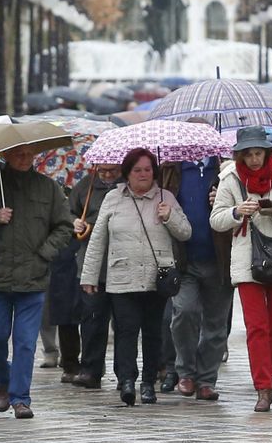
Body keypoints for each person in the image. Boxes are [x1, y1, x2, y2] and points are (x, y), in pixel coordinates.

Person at [79, 147, 192, 406]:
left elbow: (186, 232)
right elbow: (97, 240)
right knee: (126, 330)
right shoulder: (113, 198)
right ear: (127, 173)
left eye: (148, 170)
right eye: (137, 170)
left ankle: (148, 382)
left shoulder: (165, 197)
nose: (143, 174)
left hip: (157, 278)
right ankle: (127, 380)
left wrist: (170, 217)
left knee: (153, 332)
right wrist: (89, 276)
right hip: (122, 276)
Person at [0, 141, 74, 420]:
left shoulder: (48, 188)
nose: (24, 157)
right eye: (18, 152)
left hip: (33, 279)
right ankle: (3, 380)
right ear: (5, 154)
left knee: (26, 343)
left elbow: (64, 227)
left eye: (29, 152)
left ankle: (20, 398)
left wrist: (44, 255)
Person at [210, 127, 272, 412]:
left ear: (267, 152)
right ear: (240, 155)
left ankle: (270, 365)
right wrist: (237, 212)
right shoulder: (230, 177)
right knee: (256, 327)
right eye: (248, 154)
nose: (254, 159)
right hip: (246, 259)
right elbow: (216, 219)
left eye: (258, 153)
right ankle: (263, 387)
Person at [168, 154, 233, 401]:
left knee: (216, 324)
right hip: (184, 260)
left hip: (220, 259)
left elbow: (246, 205)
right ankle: (186, 372)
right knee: (185, 312)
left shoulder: (226, 172)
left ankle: (206, 380)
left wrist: (226, 201)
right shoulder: (171, 169)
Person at [64, 163, 120, 389]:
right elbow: (68, 211)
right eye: (103, 170)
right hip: (91, 263)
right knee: (92, 319)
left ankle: (125, 373)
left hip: (123, 262)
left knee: (124, 323)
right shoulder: (85, 186)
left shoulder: (129, 185)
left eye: (112, 170)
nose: (107, 175)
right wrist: (74, 222)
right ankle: (90, 369)